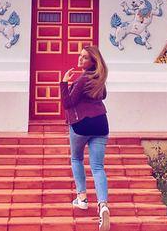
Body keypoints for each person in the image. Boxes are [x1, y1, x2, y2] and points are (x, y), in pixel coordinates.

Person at [60, 44, 110, 231]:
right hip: (101, 123)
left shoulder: (82, 79)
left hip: (81, 124)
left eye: (85, 57)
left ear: (92, 61)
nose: (80, 59)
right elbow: (103, 96)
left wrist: (64, 83)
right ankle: (103, 205)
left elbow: (68, 103)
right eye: (80, 56)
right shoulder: (99, 78)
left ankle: (82, 198)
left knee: (76, 158)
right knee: (98, 167)